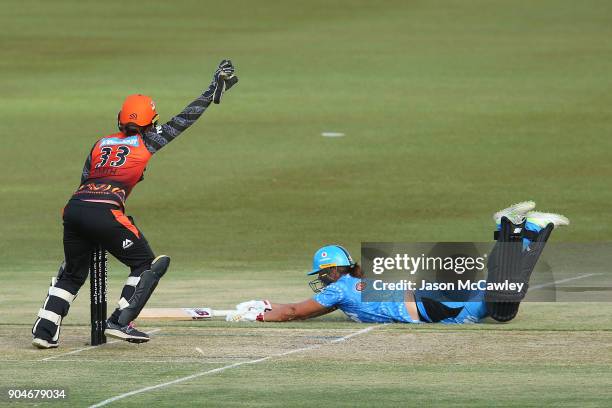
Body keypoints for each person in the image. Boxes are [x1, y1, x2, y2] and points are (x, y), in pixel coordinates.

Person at [31, 60, 239, 348]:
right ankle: (119, 321)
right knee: (145, 263)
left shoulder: (101, 143)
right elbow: (184, 119)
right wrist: (212, 90)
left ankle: (44, 331)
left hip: (75, 208)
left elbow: (84, 179)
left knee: (73, 273)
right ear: (151, 121)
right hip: (106, 211)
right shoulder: (148, 142)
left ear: (120, 118)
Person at [225, 201, 569, 324]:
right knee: (497, 290)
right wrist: (268, 302)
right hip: (433, 295)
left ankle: (515, 229)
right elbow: (300, 308)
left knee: (503, 308)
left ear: (331, 272)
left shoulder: (339, 290)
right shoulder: (349, 288)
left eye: (322, 274)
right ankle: (517, 230)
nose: (322, 280)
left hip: (435, 306)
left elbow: (295, 313)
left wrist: (258, 317)